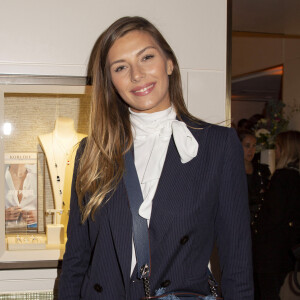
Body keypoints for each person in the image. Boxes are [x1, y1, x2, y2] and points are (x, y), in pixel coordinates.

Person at [58, 16, 254, 299]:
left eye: (146, 57)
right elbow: (77, 257)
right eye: (121, 67)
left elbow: (237, 261)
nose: (136, 75)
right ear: (111, 82)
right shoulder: (92, 152)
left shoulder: (218, 146)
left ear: (169, 63)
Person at [252, 130, 300, 300]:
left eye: (278, 148)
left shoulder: (282, 177)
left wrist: (256, 229)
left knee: (267, 293)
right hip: (284, 251)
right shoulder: (295, 177)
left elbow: (273, 215)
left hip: (270, 252)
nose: (276, 152)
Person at [237, 130, 270, 227]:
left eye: (254, 146)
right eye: (247, 146)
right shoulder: (232, 171)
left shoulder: (262, 170)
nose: (251, 150)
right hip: (240, 221)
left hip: (260, 222)